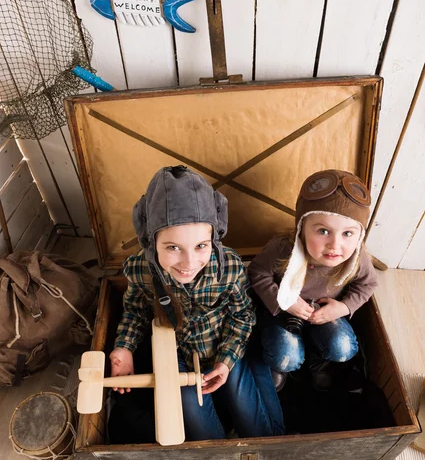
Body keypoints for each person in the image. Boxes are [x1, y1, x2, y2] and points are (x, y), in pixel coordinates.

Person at [109, 165, 284, 441]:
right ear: (151, 241)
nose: (189, 264)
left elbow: (243, 317)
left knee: (260, 431)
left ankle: (252, 388)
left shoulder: (228, 268)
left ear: (213, 239)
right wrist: (124, 347)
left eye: (201, 246)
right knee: (202, 435)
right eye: (173, 247)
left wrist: (226, 362)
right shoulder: (140, 269)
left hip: (223, 345)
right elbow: (135, 310)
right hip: (176, 353)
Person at [248, 169, 378, 392]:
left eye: (347, 233)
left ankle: (318, 360)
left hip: (323, 313)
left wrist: (343, 307)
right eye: (323, 231)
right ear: (302, 228)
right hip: (283, 311)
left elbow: (368, 284)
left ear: (359, 235)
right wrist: (284, 302)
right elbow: (257, 273)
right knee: (285, 356)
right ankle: (283, 367)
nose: (335, 245)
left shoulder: (357, 257)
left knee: (343, 347)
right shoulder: (283, 247)